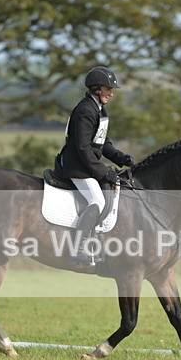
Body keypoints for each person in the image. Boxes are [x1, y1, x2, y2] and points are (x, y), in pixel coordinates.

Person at [56, 66, 134, 263]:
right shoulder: (85, 110)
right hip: (75, 166)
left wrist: (121, 158)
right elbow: (83, 148)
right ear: (97, 89)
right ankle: (78, 250)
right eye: (109, 89)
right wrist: (102, 172)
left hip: (85, 164)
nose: (112, 92)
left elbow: (102, 142)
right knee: (97, 202)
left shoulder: (99, 110)